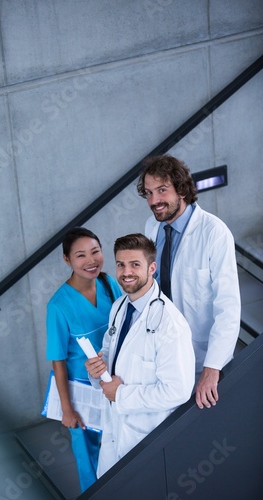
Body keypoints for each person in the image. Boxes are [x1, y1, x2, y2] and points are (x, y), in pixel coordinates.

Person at [85, 233, 195, 477]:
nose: (126, 272)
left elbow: (177, 391)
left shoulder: (170, 325)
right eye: (121, 264)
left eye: (135, 264)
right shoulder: (119, 307)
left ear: (152, 268)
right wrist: (97, 369)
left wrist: (121, 394)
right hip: (114, 430)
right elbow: (111, 358)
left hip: (145, 438)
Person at [136, 154, 241, 410]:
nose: (154, 201)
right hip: (162, 349)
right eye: (148, 193)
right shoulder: (152, 227)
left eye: (162, 191)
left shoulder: (214, 233)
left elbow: (228, 307)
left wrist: (212, 368)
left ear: (182, 189)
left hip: (199, 356)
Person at [46, 227, 122, 492]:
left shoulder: (109, 284)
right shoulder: (58, 305)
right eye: (81, 255)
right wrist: (67, 409)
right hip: (82, 391)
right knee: (87, 455)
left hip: (113, 381)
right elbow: (57, 360)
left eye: (95, 252)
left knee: (118, 444)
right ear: (67, 260)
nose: (91, 261)